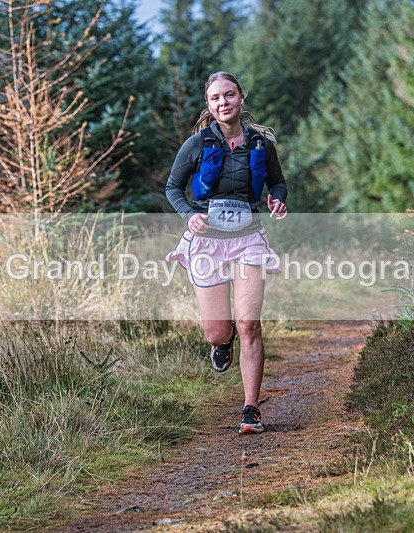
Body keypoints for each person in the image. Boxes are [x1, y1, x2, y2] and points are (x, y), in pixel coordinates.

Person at [165, 71, 288, 434]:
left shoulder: (261, 144)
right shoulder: (196, 144)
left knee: (249, 323)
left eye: (229, 95)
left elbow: (277, 181)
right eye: (216, 97)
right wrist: (190, 216)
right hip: (207, 242)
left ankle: (251, 408)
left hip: (248, 237)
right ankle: (223, 343)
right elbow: (174, 188)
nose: (223, 102)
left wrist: (278, 198)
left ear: (241, 98)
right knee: (217, 332)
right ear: (209, 104)